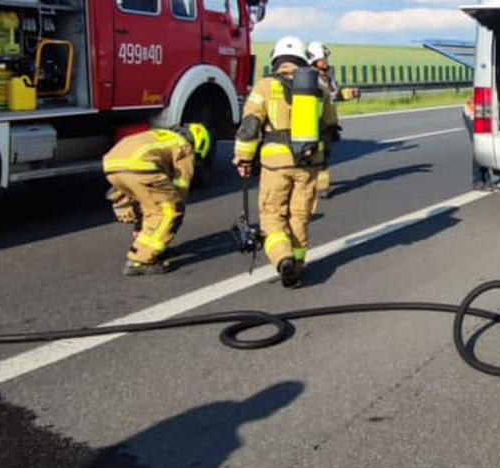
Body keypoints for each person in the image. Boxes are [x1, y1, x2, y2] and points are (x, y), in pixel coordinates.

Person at [234, 36, 340, 288]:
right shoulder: (319, 87)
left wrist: (243, 159)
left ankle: (283, 258)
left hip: (276, 162)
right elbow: (331, 127)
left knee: (272, 215)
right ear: (303, 58)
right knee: (300, 216)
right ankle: (299, 264)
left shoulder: (265, 86)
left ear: (276, 59)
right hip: (308, 162)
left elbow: (249, 127)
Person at [102, 122, 211, 276]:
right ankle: (139, 261)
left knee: (148, 203)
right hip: (139, 167)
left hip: (111, 165)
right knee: (169, 210)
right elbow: (180, 187)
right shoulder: (185, 147)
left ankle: (147, 244)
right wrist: (176, 206)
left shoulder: (161, 136)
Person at [305, 41, 357, 203]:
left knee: (324, 155)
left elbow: (335, 95)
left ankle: (317, 185)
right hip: (315, 123)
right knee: (318, 157)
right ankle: (321, 187)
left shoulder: (328, 75)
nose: (327, 61)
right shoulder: (308, 77)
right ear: (314, 60)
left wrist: (350, 93)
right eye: (323, 58)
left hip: (328, 123)